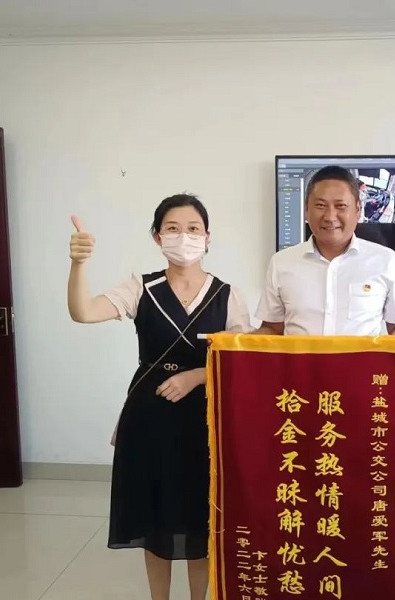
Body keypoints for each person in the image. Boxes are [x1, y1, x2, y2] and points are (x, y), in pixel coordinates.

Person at [67, 194, 251, 600]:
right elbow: (83, 311)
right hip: (149, 415)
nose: (184, 237)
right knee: (155, 518)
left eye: (193, 229)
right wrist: (79, 264)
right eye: (172, 228)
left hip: (206, 418)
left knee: (200, 517)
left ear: (207, 237)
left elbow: (242, 361)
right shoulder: (142, 287)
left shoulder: (227, 295)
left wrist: (198, 376)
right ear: (157, 236)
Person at [253, 165, 395, 345]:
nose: (330, 217)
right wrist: (236, 343)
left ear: (358, 210)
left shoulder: (386, 261)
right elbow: (272, 329)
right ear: (306, 209)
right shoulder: (281, 262)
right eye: (320, 205)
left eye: (340, 206)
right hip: (298, 364)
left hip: (362, 364)